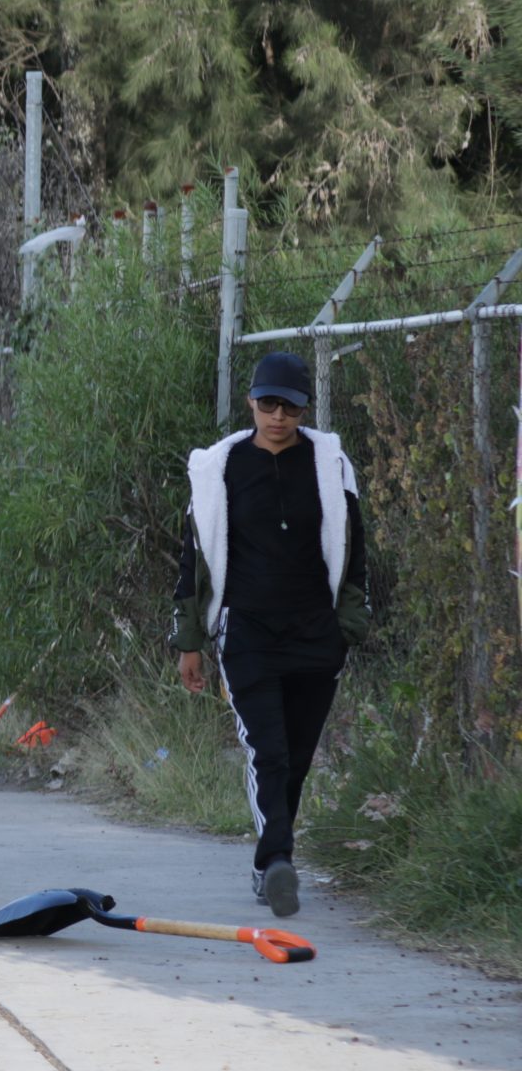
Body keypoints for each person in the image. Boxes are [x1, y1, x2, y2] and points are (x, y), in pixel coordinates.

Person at [171, 352, 369, 918]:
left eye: (290, 406)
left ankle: (268, 865)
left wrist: (348, 626)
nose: (277, 416)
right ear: (251, 402)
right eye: (267, 403)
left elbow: (356, 549)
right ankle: (277, 860)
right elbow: (195, 557)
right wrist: (190, 641)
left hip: (315, 634)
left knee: (299, 758)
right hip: (247, 632)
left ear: (305, 409)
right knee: (269, 751)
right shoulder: (219, 469)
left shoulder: (330, 465)